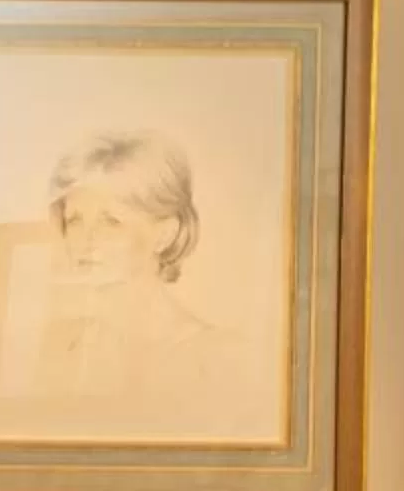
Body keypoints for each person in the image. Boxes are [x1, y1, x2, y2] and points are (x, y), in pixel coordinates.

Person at [28, 130, 272, 439]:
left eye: (111, 222)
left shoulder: (217, 360)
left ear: (164, 234)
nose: (86, 241)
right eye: (75, 220)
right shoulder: (67, 352)